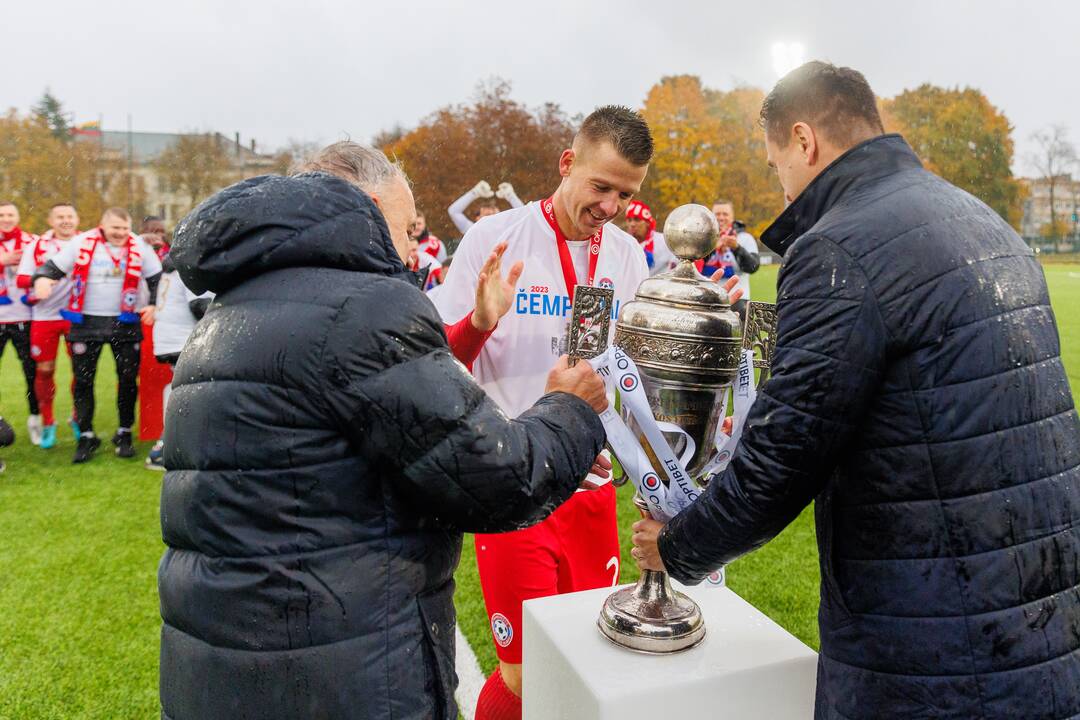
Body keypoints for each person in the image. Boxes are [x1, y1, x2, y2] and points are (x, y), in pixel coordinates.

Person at [631, 61, 1080, 720]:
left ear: (805, 142)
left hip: (932, 641)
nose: (779, 183)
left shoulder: (838, 249)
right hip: (1045, 619)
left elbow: (781, 458)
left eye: (774, 163)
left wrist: (675, 547)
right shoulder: (984, 220)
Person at [157, 141, 612, 720]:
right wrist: (569, 411)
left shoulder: (233, 303)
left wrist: (474, 326)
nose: (409, 253)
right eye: (404, 230)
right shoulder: (363, 304)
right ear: (370, 208)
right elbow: (495, 479)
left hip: (228, 658)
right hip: (339, 660)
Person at [435, 105, 652, 719]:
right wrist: (480, 321)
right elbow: (442, 364)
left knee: (584, 658)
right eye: (601, 186)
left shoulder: (628, 260)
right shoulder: (493, 238)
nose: (611, 205)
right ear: (567, 164)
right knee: (527, 673)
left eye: (626, 193)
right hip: (515, 483)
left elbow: (631, 375)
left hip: (592, 486)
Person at [32, 208, 161, 463]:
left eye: (125, 229)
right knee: (83, 381)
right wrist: (42, 280)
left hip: (125, 322)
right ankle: (86, 435)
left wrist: (155, 304)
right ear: (102, 225)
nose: (120, 234)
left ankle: (124, 432)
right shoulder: (82, 242)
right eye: (115, 228)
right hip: (86, 322)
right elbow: (50, 268)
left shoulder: (139, 245)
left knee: (126, 379)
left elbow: (158, 278)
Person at [16, 203, 81, 449]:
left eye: (69, 216)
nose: (65, 221)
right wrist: (44, 278)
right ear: (51, 221)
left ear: (76, 219)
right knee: (44, 370)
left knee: (81, 370)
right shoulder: (38, 245)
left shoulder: (87, 244)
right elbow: (22, 278)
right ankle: (48, 422)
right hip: (44, 317)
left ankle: (78, 417)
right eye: (60, 217)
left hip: (76, 317)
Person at [143, 248, 212, 470]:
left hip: (167, 339)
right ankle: (165, 447)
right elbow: (198, 306)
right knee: (190, 393)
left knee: (179, 389)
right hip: (182, 339)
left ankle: (169, 444)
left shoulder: (173, 266)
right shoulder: (189, 266)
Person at [0, 201, 42, 444]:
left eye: (10, 214)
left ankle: (34, 417)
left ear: (17, 217)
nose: (6, 219)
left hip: (25, 317)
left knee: (31, 372)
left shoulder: (31, 242)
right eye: (2, 215)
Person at [448, 180, 524, 235]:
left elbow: (525, 216)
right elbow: (453, 211)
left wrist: (511, 196)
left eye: (494, 212)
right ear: (478, 219)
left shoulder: (507, 230)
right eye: (487, 215)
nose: (491, 212)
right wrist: (474, 193)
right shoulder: (473, 230)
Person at [624, 199, 676, 275]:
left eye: (637, 219)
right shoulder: (624, 243)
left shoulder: (664, 241)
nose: (632, 224)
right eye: (629, 220)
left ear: (647, 223)